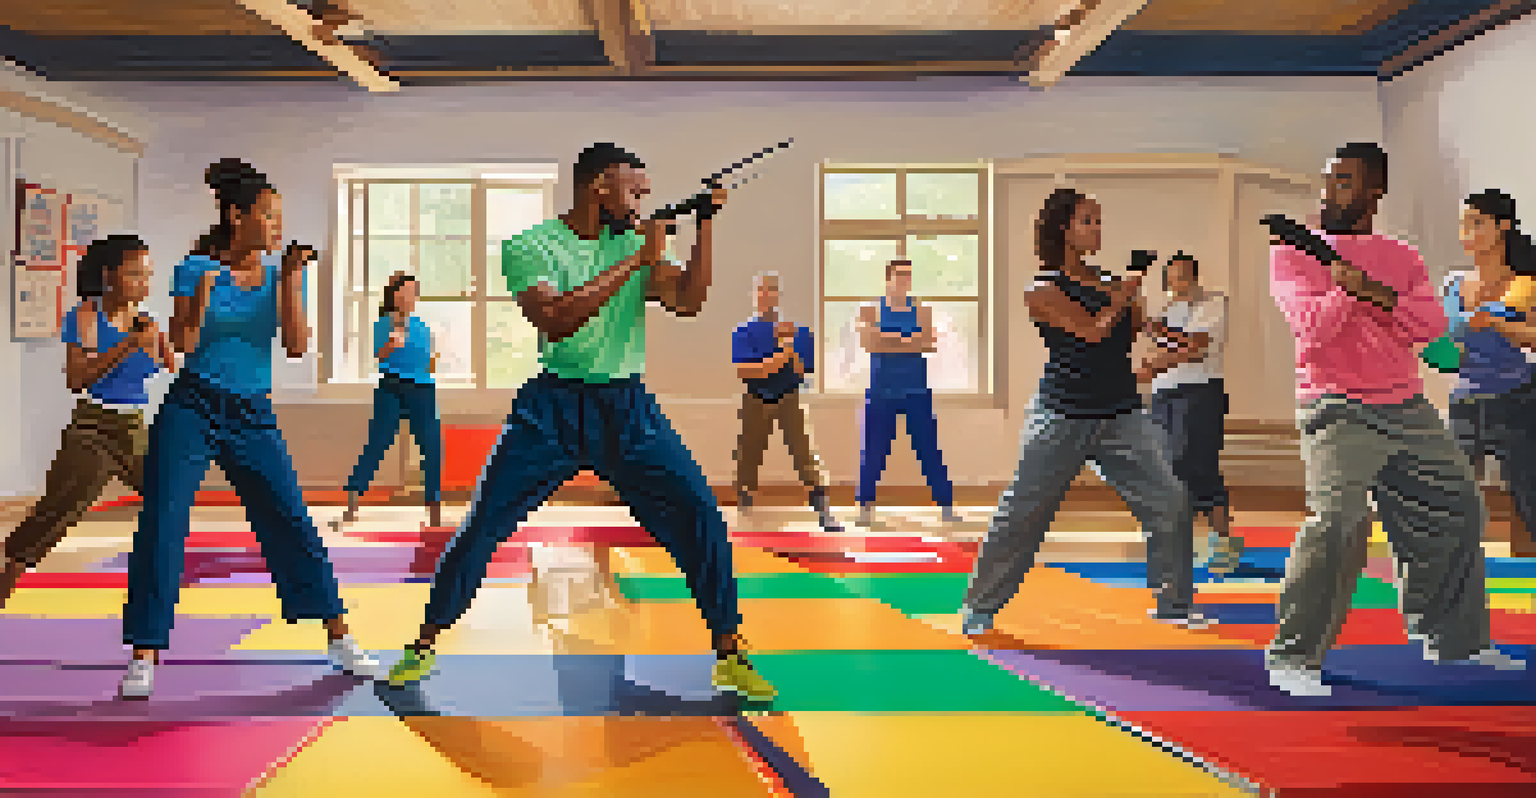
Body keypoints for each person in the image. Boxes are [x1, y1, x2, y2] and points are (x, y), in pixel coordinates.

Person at [386, 143, 776, 702]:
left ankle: (730, 652)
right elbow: (556, 317)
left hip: (628, 406)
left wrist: (705, 228)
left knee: (700, 516)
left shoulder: (633, 244)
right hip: (552, 408)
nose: (643, 200)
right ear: (599, 186)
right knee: (483, 524)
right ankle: (422, 644)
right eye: (634, 189)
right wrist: (635, 262)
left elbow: (688, 301)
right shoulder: (532, 246)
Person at [1265, 143, 1523, 697]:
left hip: (1405, 405)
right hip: (1334, 405)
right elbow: (1311, 332)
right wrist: (1345, 292)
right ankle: (1293, 655)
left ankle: (1453, 639)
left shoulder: (1402, 256)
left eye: (1344, 182)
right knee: (1337, 523)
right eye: (1328, 180)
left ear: (1374, 190)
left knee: (1460, 506)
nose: (1329, 191)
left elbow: (1428, 331)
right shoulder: (1291, 253)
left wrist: (1373, 293)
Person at [119, 159, 382, 699]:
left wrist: (289, 279)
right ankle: (145, 653)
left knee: (291, 520)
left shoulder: (284, 272)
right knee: (162, 522)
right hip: (192, 405)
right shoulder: (194, 267)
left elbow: (295, 345)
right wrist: (199, 299)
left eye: (280, 216)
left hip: (252, 412)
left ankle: (339, 636)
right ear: (238, 217)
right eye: (269, 216)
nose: (278, 226)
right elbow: (184, 345)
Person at [959, 189, 1205, 635]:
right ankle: (980, 606)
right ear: (1063, 230)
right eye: (1088, 221)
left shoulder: (1113, 283)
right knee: (1023, 513)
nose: (1097, 228)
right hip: (1061, 413)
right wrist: (1124, 295)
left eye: (1098, 220)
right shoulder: (1043, 290)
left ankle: (1174, 604)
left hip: (1121, 413)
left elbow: (1137, 333)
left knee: (1170, 500)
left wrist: (1171, 333)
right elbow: (1091, 332)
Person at [0, 236, 174, 607]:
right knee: (60, 509)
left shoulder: (146, 321)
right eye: (135, 275)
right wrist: (127, 345)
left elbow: (163, 367)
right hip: (92, 426)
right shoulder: (85, 317)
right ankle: (6, 577)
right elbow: (77, 379)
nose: (144, 283)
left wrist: (162, 348)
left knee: (168, 497)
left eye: (148, 275)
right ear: (109, 275)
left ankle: (156, 590)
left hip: (133, 426)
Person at [1443, 190, 1536, 558]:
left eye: (1476, 223)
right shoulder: (1452, 284)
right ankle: (1455, 580)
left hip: (1516, 399)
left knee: (1528, 496)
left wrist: (1498, 324)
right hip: (1464, 402)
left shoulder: (1525, 284)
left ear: (1502, 227)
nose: (1467, 233)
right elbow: (1444, 345)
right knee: (1453, 496)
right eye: (1464, 224)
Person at [1137, 253, 1242, 574]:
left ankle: (1223, 542)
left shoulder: (1211, 303)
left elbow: (1196, 347)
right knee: (1167, 467)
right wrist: (1160, 353)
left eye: (1183, 276)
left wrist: (1160, 348)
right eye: (1172, 277)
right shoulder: (1165, 310)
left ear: (1195, 277)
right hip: (1163, 394)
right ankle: (1175, 542)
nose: (1177, 283)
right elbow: (1170, 349)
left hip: (1199, 393)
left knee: (1197, 464)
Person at [732, 272, 841, 531]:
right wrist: (780, 357)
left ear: (778, 296)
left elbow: (805, 370)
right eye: (761, 290)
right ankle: (744, 506)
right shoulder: (743, 332)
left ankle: (823, 509)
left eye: (770, 290)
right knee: (749, 452)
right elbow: (746, 371)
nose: (765, 295)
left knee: (804, 452)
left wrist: (790, 353)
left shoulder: (799, 332)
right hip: (756, 398)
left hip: (790, 397)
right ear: (754, 295)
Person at [855, 259, 960, 527]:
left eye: (908, 276)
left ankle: (947, 506)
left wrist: (886, 337)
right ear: (888, 279)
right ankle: (864, 507)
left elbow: (929, 343)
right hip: (881, 391)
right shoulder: (871, 309)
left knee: (929, 450)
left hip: (916, 390)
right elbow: (868, 343)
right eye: (899, 276)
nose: (904, 281)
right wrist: (908, 339)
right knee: (873, 450)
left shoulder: (921, 309)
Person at [337, 272, 443, 529]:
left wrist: (433, 359)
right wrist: (392, 342)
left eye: (413, 292)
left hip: (423, 390)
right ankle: (352, 503)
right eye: (405, 291)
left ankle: (435, 511)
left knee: (431, 447)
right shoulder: (383, 323)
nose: (410, 296)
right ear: (394, 295)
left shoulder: (423, 327)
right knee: (378, 443)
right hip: (392, 387)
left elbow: (430, 363)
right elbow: (379, 355)